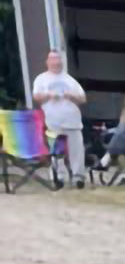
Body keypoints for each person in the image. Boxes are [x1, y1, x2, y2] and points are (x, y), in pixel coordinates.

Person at [31, 49, 87, 187]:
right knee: (56, 151)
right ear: (47, 62)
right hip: (52, 122)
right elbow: (36, 97)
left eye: (58, 59)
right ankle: (59, 177)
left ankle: (78, 177)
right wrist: (48, 95)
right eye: (53, 59)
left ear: (61, 61)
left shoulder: (70, 79)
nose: (56, 62)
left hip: (72, 121)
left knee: (77, 150)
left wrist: (72, 96)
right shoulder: (41, 79)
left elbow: (83, 98)